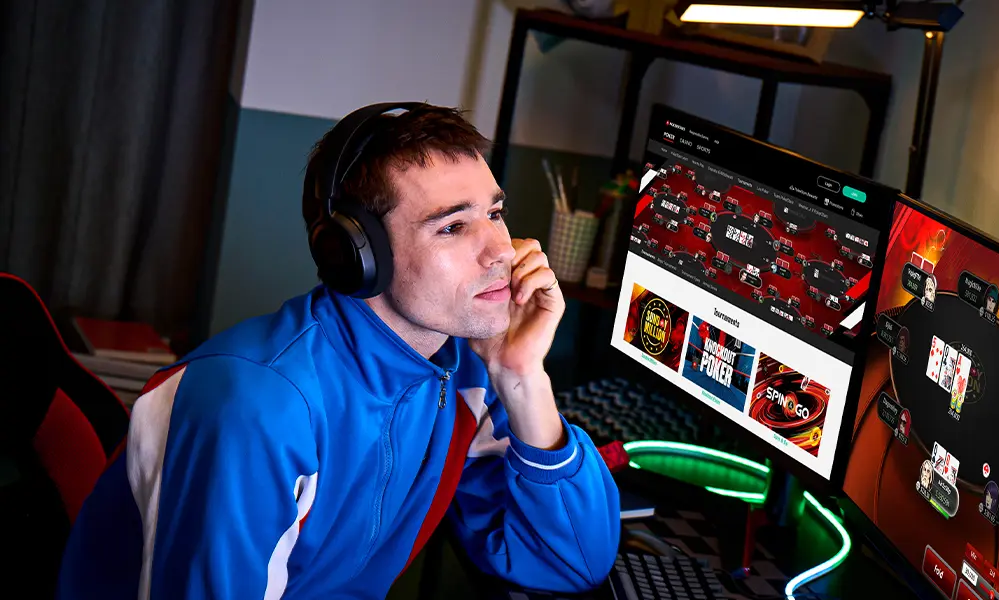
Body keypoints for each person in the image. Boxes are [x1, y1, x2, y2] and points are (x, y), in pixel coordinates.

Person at [57, 103, 621, 598]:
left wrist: (523, 377)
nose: (502, 251)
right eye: (452, 228)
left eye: (494, 213)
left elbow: (570, 563)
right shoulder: (257, 410)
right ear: (357, 256)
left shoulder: (463, 367)